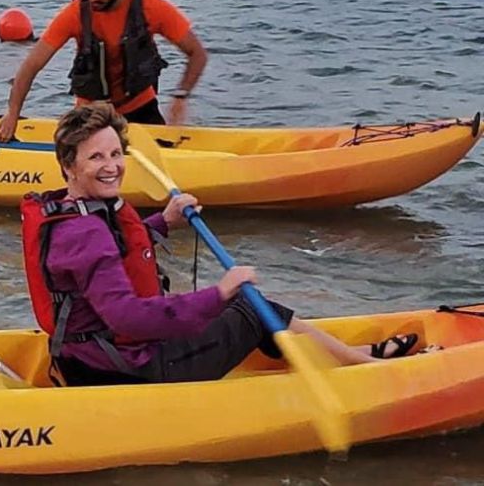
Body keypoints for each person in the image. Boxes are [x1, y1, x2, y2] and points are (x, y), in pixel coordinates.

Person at [21, 103, 425, 387]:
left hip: (90, 359)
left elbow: (114, 251)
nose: (111, 166)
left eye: (115, 153)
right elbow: (128, 318)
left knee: (253, 307)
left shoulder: (75, 213)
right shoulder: (84, 232)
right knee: (249, 307)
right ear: (69, 165)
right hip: (123, 370)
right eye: (95, 158)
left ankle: (357, 356)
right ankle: (366, 365)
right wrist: (218, 294)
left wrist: (165, 221)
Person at [0, 0, 207, 133]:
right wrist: (13, 112)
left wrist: (181, 96)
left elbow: (197, 54)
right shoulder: (76, 13)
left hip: (140, 109)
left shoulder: (149, 6)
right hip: (91, 114)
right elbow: (31, 65)